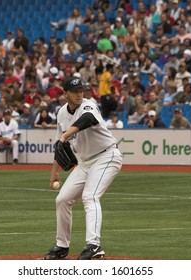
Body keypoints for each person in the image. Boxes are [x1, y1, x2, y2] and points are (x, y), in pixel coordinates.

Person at [44, 76, 123, 260]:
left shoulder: (88, 105)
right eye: (74, 91)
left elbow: (87, 119)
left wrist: (65, 136)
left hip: (107, 156)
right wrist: (54, 173)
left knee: (90, 196)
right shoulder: (62, 113)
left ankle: (94, 245)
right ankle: (62, 247)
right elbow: (60, 145)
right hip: (85, 163)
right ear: (65, 94)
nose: (79, 94)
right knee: (62, 199)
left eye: (81, 91)